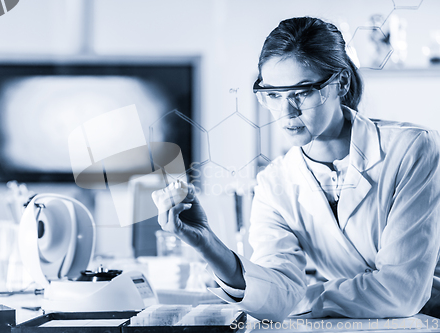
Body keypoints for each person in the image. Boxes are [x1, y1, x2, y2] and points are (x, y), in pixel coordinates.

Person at [151, 16, 440, 321]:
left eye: (301, 92)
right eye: (273, 95)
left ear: (340, 82)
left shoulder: (411, 149)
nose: (286, 112)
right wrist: (207, 242)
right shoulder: (274, 182)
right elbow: (275, 291)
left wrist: (298, 299)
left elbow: (400, 292)